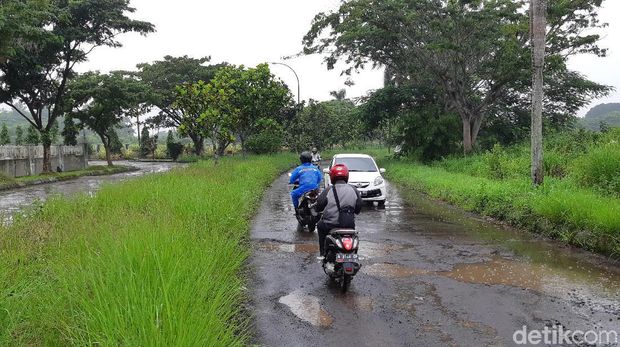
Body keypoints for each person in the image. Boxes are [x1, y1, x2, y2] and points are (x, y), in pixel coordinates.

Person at [315, 164, 363, 257]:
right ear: (346, 176)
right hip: (349, 225)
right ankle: (354, 254)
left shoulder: (329, 190)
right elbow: (358, 208)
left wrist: (318, 210)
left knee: (320, 225)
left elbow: (319, 206)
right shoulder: (354, 189)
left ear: (332, 176)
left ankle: (323, 253)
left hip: (329, 225)